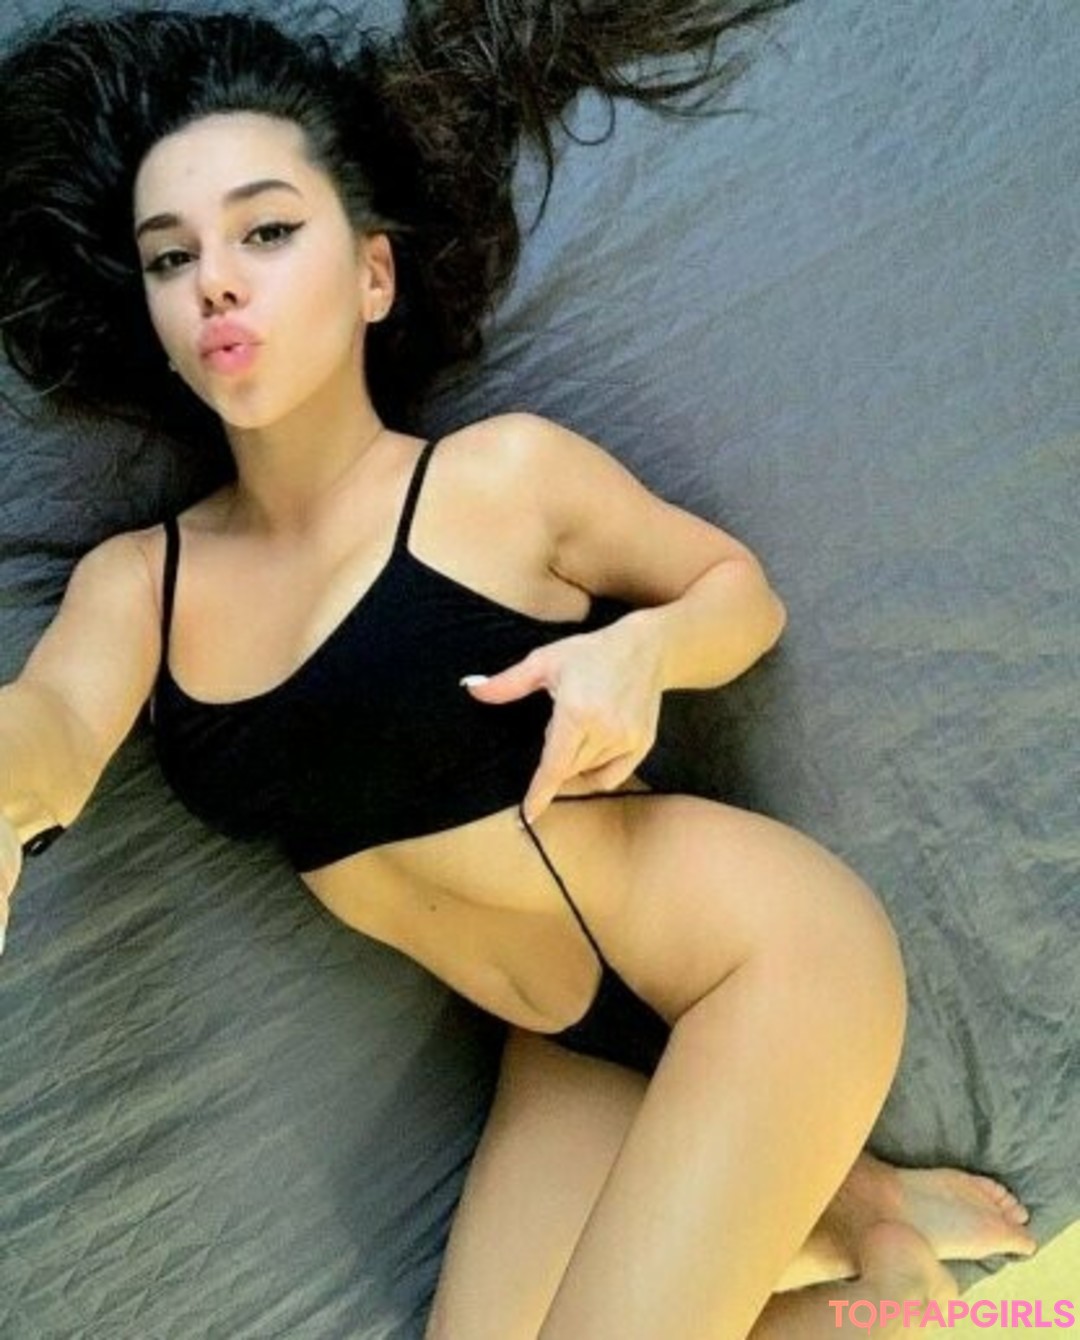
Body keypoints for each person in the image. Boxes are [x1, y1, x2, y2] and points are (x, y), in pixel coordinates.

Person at [0, 4, 1037, 1336]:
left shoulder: (501, 481)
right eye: (169, 256)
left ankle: (864, 1239)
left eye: (266, 232)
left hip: (758, 958)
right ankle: (876, 1246)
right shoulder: (140, 583)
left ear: (372, 276)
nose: (214, 282)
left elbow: (740, 596)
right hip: (562, 1042)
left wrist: (639, 653)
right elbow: (51, 724)